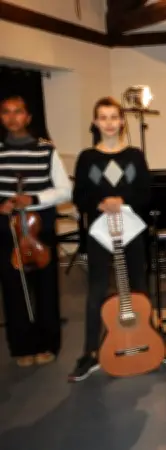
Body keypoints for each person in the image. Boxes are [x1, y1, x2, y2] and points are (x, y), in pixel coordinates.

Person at [68, 97, 151, 382]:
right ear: (95, 122)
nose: (109, 123)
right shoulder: (87, 158)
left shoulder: (135, 156)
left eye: (114, 117)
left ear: (121, 121)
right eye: (103, 117)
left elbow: (145, 193)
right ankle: (90, 353)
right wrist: (100, 203)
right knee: (97, 291)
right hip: (101, 234)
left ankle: (146, 341)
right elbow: (79, 196)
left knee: (139, 288)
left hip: (132, 232)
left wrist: (122, 199)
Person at [0, 95, 71, 367]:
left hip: (39, 228)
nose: (12, 117)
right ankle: (20, 347)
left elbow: (65, 190)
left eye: (18, 112)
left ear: (28, 117)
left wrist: (34, 199)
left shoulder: (46, 150)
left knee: (46, 288)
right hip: (7, 230)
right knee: (12, 290)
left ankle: (47, 343)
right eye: (6, 112)